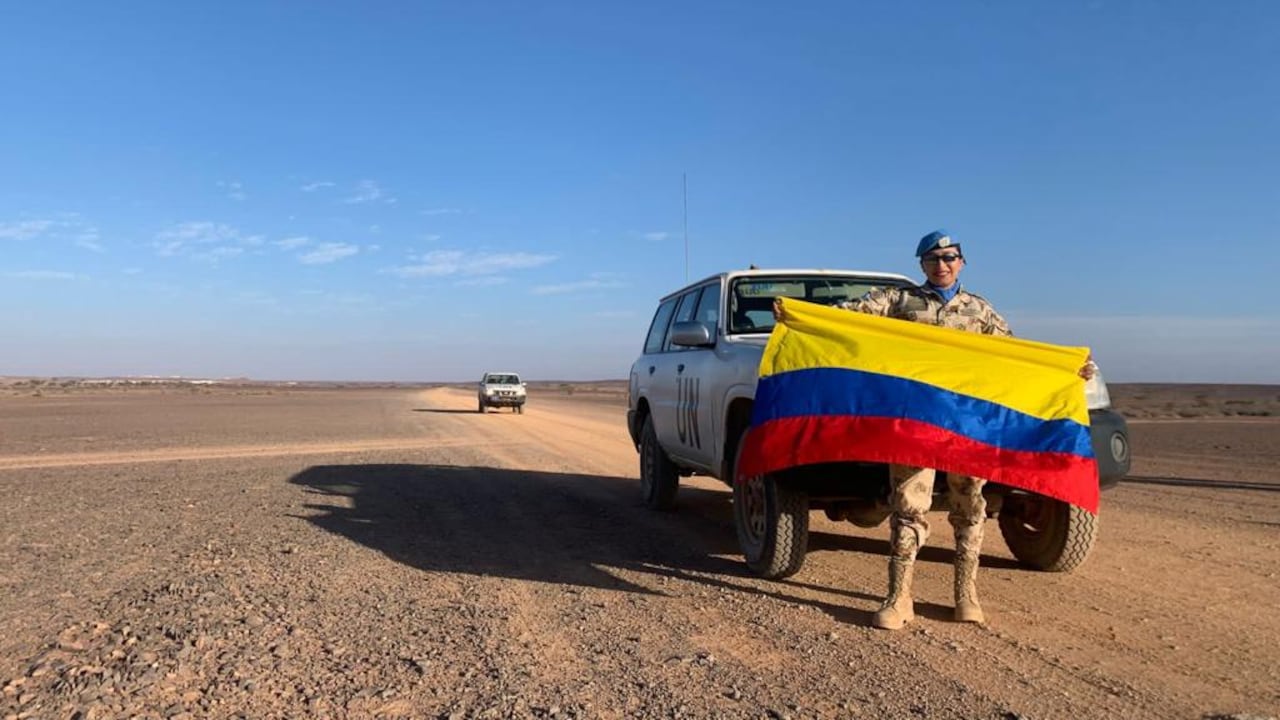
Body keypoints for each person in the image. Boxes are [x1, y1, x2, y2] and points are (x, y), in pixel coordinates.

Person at [774, 229, 1094, 630]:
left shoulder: (981, 312)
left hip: (966, 427)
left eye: (949, 257)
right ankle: (898, 597)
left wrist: (1065, 372)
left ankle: (965, 595)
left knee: (970, 506)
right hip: (915, 428)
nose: (941, 265)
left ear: (961, 262)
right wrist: (798, 317)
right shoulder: (899, 302)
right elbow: (844, 318)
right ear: (921, 264)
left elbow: (1016, 361)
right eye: (932, 259)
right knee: (908, 506)